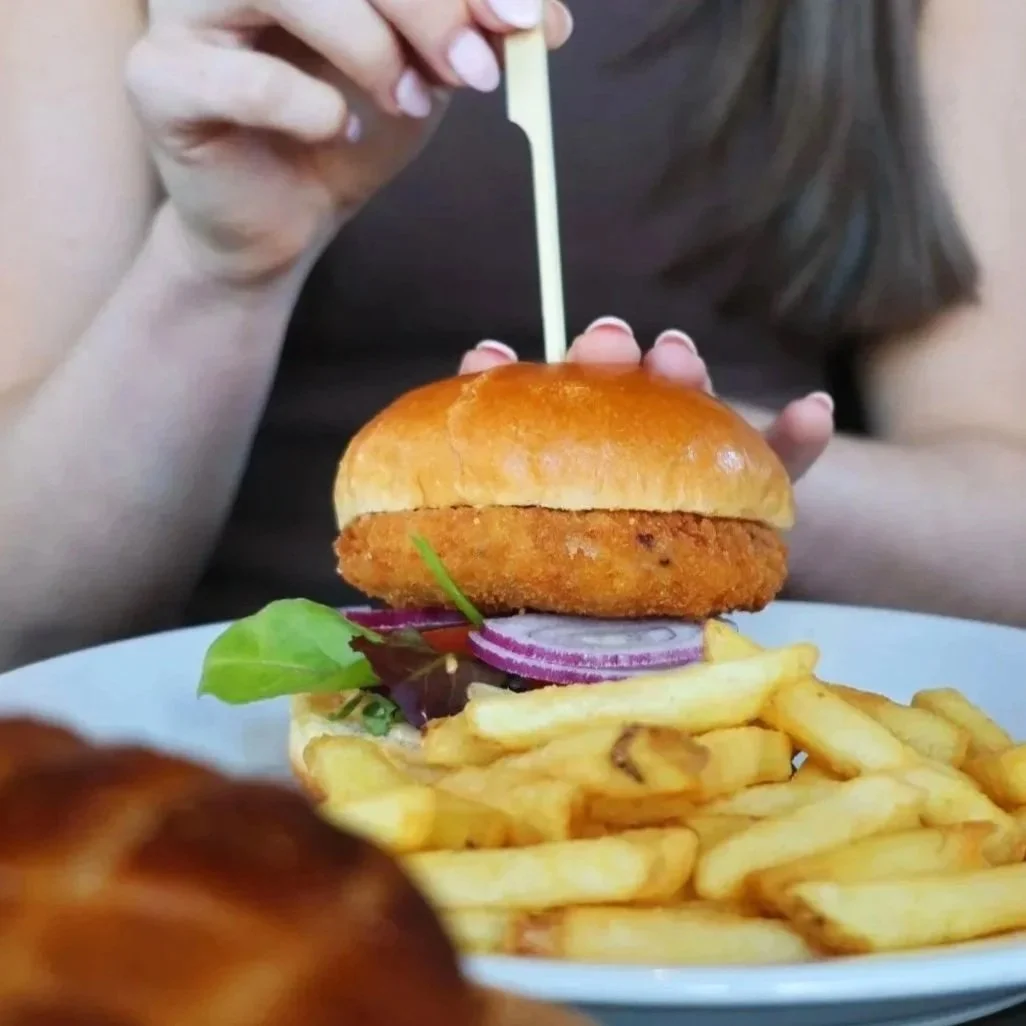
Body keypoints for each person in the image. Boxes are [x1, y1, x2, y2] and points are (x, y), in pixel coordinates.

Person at [1, 0, 1024, 671]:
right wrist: (223, 264)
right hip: (226, 778)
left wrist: (699, 468)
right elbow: (21, 610)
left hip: (756, 735)